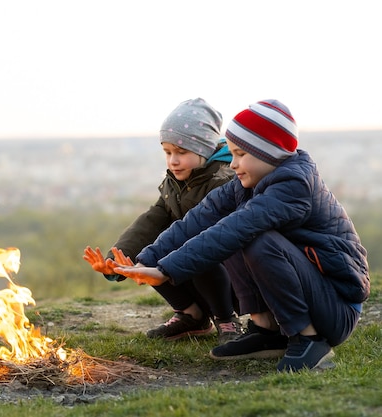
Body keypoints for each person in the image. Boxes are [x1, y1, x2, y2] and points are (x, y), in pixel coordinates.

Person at [110, 99, 370, 372]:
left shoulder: (293, 186)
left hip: (337, 307)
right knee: (231, 227)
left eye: (240, 155)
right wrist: (146, 261)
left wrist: (166, 270)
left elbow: (232, 230)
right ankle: (265, 330)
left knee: (251, 236)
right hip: (317, 296)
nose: (232, 164)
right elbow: (196, 219)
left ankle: (308, 338)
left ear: (268, 153)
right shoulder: (244, 186)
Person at [83, 97, 242, 345]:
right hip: (191, 269)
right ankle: (192, 315)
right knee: (150, 249)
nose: (173, 161)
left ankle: (226, 319)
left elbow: (222, 240)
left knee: (196, 248)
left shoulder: (225, 182)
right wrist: (116, 262)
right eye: (167, 152)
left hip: (235, 279)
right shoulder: (173, 184)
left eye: (181, 152)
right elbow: (150, 222)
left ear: (205, 150)